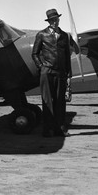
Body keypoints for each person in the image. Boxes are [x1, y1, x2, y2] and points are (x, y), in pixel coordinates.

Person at [32, 9, 72, 137]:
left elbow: (67, 56)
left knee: (60, 101)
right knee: (47, 101)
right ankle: (47, 130)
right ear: (49, 22)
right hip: (47, 72)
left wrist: (68, 75)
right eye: (52, 20)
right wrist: (41, 67)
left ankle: (59, 129)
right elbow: (35, 54)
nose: (55, 22)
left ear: (59, 20)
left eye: (57, 19)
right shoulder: (41, 35)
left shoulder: (65, 36)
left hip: (61, 73)